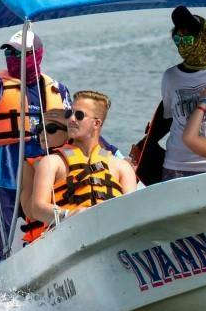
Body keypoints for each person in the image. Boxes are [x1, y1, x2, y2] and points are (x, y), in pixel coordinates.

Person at [0, 28, 69, 261]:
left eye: (19, 54)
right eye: (9, 53)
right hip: (2, 182)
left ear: (36, 55)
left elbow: (74, 131)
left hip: (43, 183)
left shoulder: (58, 90)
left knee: (48, 242)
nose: (12, 58)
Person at [21, 90, 138, 243]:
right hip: (65, 238)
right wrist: (68, 215)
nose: (71, 119)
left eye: (79, 115)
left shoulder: (122, 167)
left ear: (96, 123)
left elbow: (131, 210)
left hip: (112, 237)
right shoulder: (51, 162)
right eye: (69, 113)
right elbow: (37, 208)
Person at [154, 6, 206, 180]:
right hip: (177, 163)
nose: (183, 43)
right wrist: (144, 144)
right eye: (178, 39)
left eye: (188, 38)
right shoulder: (170, 77)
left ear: (203, 37)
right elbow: (168, 117)